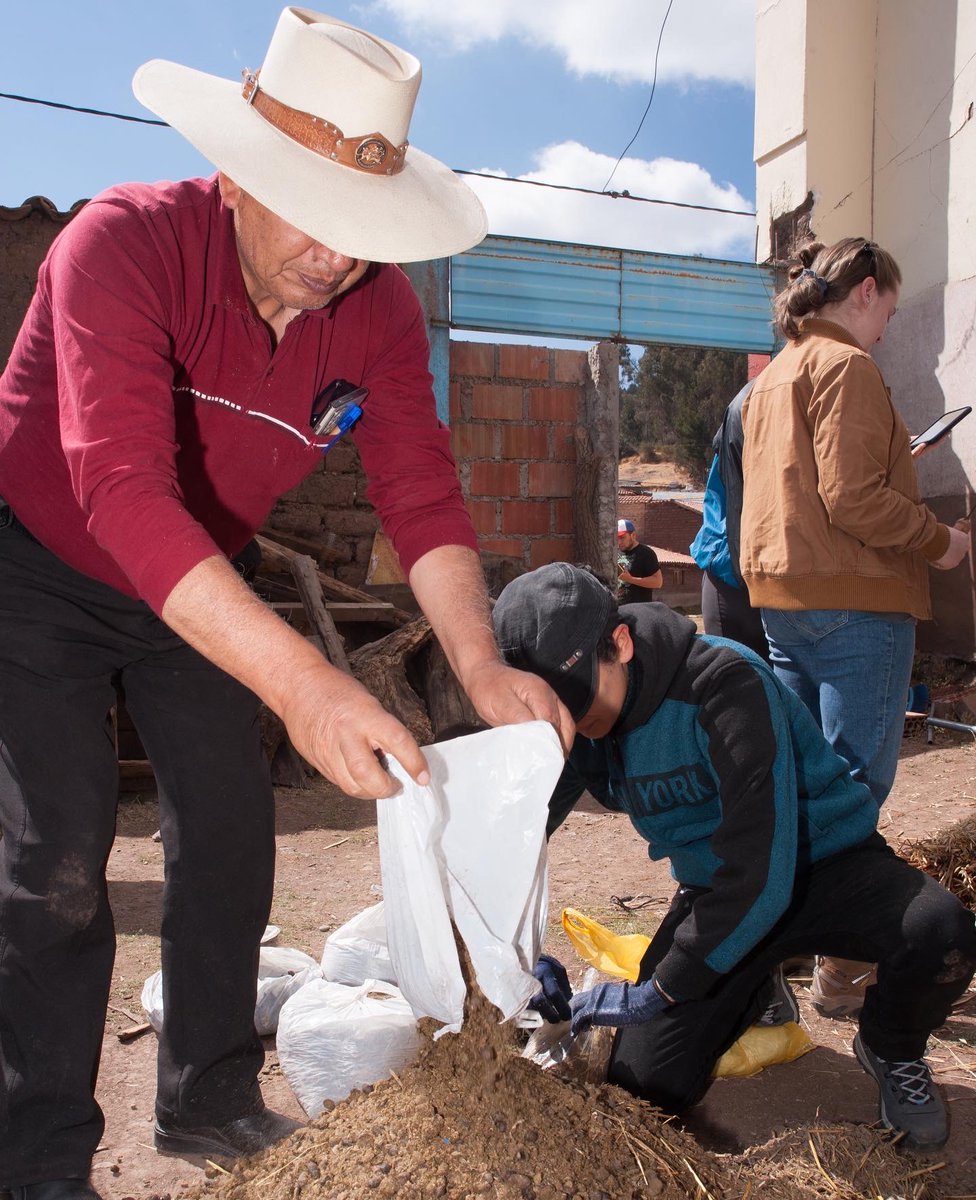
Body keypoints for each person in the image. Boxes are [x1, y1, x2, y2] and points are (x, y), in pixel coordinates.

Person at [0, 10, 572, 1198]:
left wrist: (480, 666)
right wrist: (307, 681)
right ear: (235, 174)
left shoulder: (377, 311)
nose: (335, 255)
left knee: (229, 827)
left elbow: (421, 493)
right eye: (309, 210)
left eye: (362, 228)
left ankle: (206, 1099)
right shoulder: (120, 244)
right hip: (41, 563)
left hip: (199, 575)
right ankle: (36, 1161)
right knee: (54, 861)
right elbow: (118, 487)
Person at [493, 562, 976, 1151]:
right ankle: (752, 986)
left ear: (618, 643)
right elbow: (515, 836)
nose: (570, 723)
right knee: (645, 1084)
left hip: (822, 863)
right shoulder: (573, 727)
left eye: (576, 699)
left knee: (941, 932)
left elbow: (763, 867)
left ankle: (891, 1046)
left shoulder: (723, 681)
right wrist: (512, 954)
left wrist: (662, 988)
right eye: (551, 709)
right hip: (719, 890)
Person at [738, 237, 971, 1020]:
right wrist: (945, 543)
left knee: (798, 790)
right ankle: (842, 969)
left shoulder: (774, 376)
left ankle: (759, 964)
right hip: (857, 608)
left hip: (784, 601)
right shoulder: (849, 368)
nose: (885, 332)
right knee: (849, 796)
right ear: (865, 291)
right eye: (889, 315)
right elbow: (854, 501)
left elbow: (806, 492)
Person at [689, 382, 770, 661]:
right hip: (732, 571)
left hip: (743, 567)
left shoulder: (755, 395)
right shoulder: (763, 399)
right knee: (738, 684)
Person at [616, 519, 663, 602]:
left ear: (633, 535)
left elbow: (658, 582)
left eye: (622, 538)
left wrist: (630, 579)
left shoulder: (646, 553)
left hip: (640, 610)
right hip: (619, 609)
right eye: (617, 538)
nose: (619, 542)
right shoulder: (616, 553)